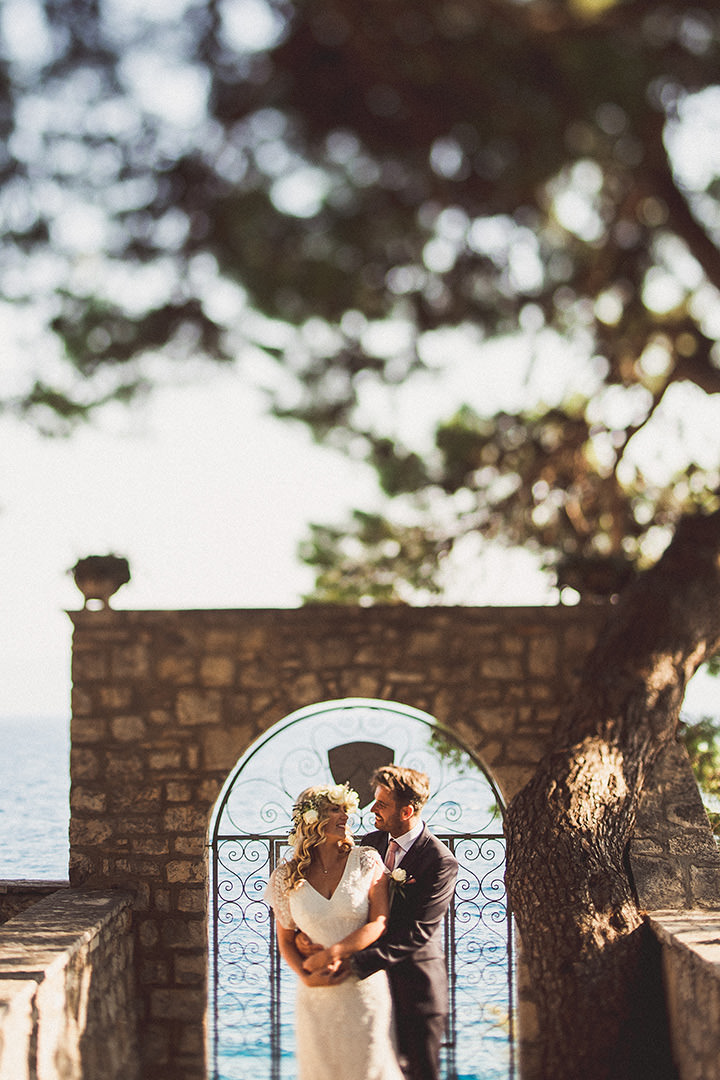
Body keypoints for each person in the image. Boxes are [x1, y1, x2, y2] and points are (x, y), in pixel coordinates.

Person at [302, 765, 459, 1080]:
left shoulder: (440, 862)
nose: (371, 809)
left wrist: (353, 963)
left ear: (407, 811)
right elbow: (344, 894)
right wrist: (310, 933)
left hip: (415, 992)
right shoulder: (371, 843)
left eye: (382, 804)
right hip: (371, 994)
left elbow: (416, 934)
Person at [265, 782, 405, 1080]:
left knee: (369, 1070)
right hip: (316, 994)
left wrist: (333, 953)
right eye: (334, 810)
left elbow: (378, 922)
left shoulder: (366, 860)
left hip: (361, 987)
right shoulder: (286, 876)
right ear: (312, 818)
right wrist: (307, 976)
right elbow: (286, 939)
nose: (345, 817)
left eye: (345, 810)